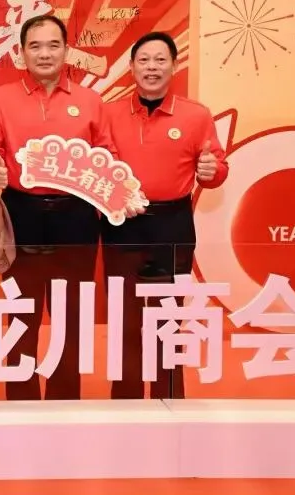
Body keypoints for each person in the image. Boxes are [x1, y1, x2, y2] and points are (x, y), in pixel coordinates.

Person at [0, 14, 140, 401]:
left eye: (53, 45)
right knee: (21, 314)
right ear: (21, 53)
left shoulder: (89, 101)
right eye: (35, 46)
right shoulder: (1, 98)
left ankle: (65, 403)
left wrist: (122, 191)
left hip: (75, 217)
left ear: (67, 51)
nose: (45, 54)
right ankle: (21, 402)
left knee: (72, 315)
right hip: (21, 214)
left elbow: (107, 154)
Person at [102, 31, 228, 399]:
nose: (152, 67)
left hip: (172, 223)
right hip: (122, 224)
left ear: (174, 66)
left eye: (160, 60)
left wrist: (212, 171)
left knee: (168, 318)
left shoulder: (196, 115)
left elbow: (217, 168)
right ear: (131, 67)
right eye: (144, 60)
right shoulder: (109, 113)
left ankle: (169, 400)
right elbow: (98, 167)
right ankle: (124, 401)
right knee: (125, 318)